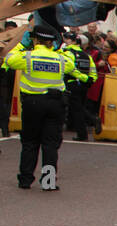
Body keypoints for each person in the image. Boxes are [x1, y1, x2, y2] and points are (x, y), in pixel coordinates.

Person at [4, 20, 88, 189]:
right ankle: (48, 182)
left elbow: (9, 59)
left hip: (32, 104)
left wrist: (21, 45)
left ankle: (25, 180)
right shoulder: (60, 58)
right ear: (52, 42)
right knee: (50, 145)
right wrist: (58, 50)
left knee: (29, 143)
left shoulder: (27, 56)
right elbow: (71, 64)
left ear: (34, 40)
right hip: (55, 104)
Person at [66, 34, 99, 141]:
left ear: (75, 42)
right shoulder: (87, 55)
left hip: (72, 83)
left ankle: (84, 132)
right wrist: (90, 80)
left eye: (68, 39)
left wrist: (84, 78)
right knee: (80, 107)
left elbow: (69, 69)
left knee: (77, 110)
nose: (66, 41)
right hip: (84, 86)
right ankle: (84, 130)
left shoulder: (68, 53)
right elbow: (93, 71)